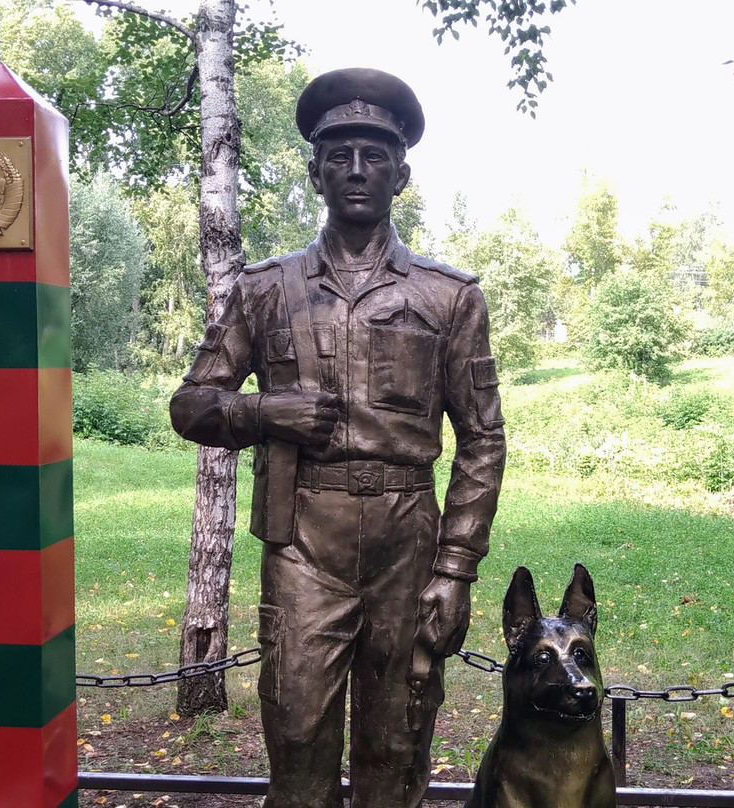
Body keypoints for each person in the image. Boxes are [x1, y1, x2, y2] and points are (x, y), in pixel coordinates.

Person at [170, 67, 507, 808]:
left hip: (407, 543)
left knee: (397, 744)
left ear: (402, 173)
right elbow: (191, 405)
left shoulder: (448, 297)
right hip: (303, 542)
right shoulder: (264, 290)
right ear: (314, 170)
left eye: (376, 154)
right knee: (296, 739)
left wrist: (455, 569)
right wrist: (266, 414)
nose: (358, 170)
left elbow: (483, 439)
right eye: (340, 154)